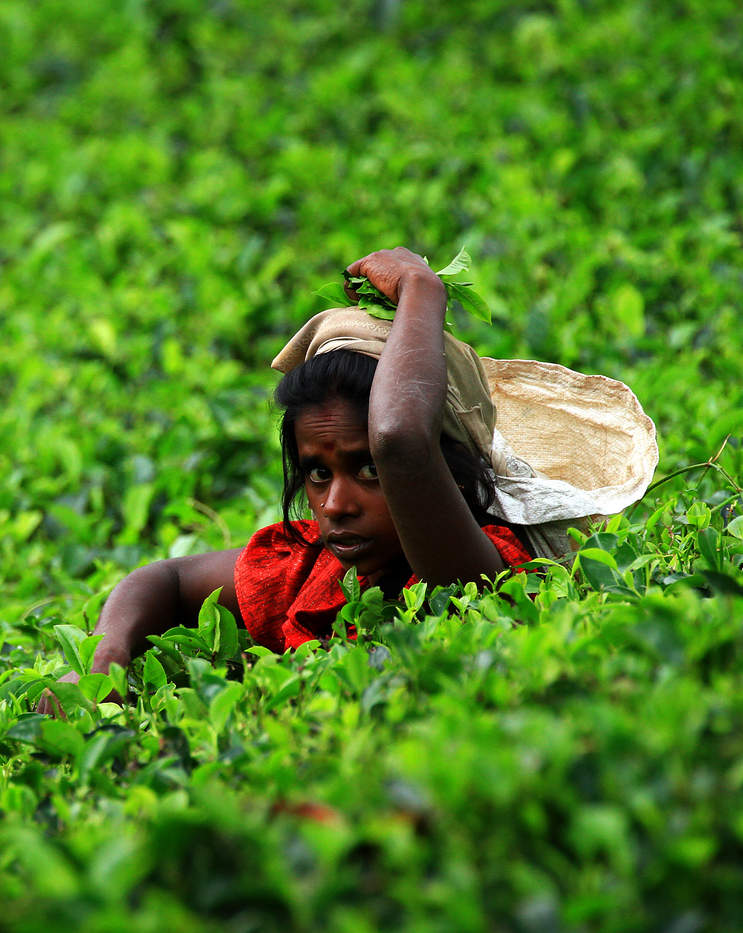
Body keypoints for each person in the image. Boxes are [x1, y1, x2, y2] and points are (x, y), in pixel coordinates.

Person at [47, 246, 659, 700]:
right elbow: (169, 578)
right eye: (317, 474)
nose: (336, 504)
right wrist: (106, 652)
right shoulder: (311, 570)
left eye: (368, 469)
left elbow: (399, 439)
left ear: (443, 466)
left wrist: (422, 289)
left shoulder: (477, 569)